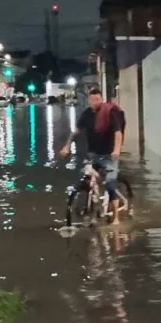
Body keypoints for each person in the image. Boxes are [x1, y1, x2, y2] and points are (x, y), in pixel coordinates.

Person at [59, 88, 125, 224]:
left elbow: (118, 133)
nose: (95, 102)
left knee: (110, 184)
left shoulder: (109, 112)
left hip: (109, 155)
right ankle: (94, 204)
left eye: (98, 99)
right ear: (88, 101)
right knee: (86, 178)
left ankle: (116, 218)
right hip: (93, 154)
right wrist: (67, 146)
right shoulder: (87, 114)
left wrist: (117, 150)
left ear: (102, 99)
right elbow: (76, 131)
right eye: (92, 100)